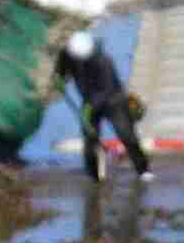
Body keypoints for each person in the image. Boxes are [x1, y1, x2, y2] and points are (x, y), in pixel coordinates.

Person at [55, 19, 149, 177]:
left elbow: (106, 89)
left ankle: (143, 169)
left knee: (126, 135)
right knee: (90, 141)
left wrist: (89, 107)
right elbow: (61, 70)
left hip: (113, 100)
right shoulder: (68, 53)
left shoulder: (103, 60)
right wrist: (60, 79)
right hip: (89, 101)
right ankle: (94, 175)